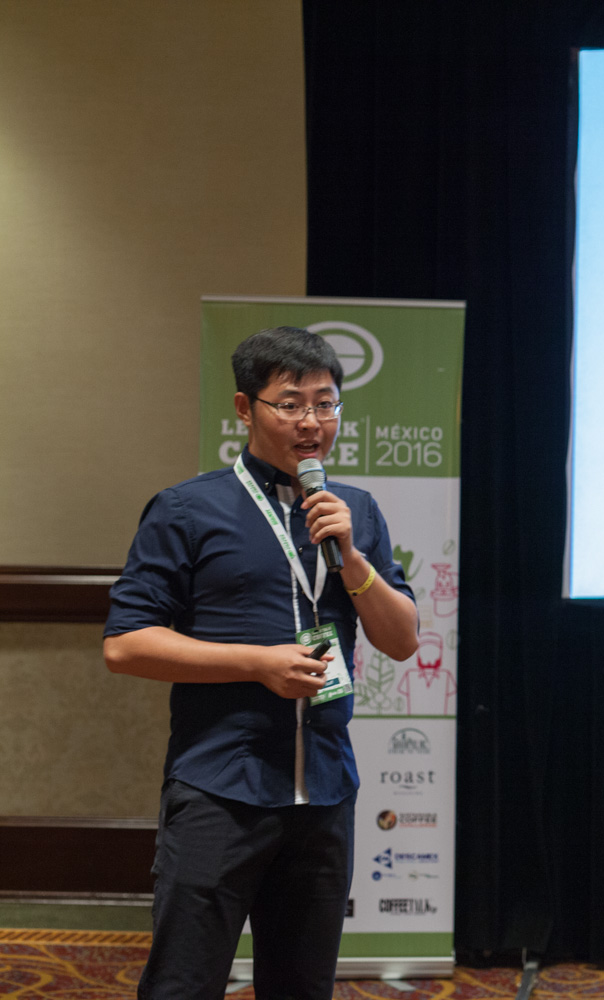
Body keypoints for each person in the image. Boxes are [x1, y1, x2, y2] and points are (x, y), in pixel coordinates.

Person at [104, 326, 419, 999]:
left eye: (326, 404)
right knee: (184, 985)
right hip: (221, 788)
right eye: (291, 404)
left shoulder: (357, 512)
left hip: (325, 794)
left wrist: (352, 559)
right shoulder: (187, 509)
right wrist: (256, 663)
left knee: (302, 988)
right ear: (245, 409)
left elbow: (401, 640)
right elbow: (125, 644)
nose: (312, 422)